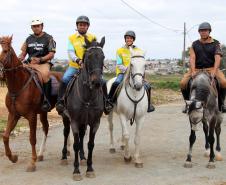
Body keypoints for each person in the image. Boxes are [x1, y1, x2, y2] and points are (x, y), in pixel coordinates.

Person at [56, 15, 111, 114]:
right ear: (77, 26)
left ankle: (106, 102)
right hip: (75, 66)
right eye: (80, 25)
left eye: (84, 25)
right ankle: (61, 101)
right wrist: (78, 60)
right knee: (65, 79)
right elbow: (70, 52)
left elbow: (96, 51)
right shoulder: (72, 38)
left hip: (89, 68)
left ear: (87, 27)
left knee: (102, 81)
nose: (82, 27)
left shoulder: (93, 37)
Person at [180, 22, 226, 113]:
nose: (203, 32)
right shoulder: (194, 44)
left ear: (209, 32)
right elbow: (192, 58)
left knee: (224, 82)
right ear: (199, 32)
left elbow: (217, 58)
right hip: (196, 69)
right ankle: (187, 104)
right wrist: (192, 70)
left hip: (211, 68)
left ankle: (222, 104)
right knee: (183, 83)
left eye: (205, 30)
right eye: (201, 31)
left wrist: (214, 70)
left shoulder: (216, 43)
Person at [108, 30, 155, 112]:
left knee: (148, 86)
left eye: (130, 38)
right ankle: (110, 101)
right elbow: (119, 64)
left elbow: (140, 62)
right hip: (123, 72)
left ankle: (148, 105)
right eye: (127, 38)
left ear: (133, 40)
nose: (129, 40)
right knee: (116, 83)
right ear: (125, 39)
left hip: (135, 73)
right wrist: (128, 69)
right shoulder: (120, 51)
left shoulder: (138, 50)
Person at [18, 18, 56, 112]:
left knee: (45, 75)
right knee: (17, 72)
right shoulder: (28, 39)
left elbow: (51, 54)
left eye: (38, 26)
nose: (36, 28)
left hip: (43, 63)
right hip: (30, 63)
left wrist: (40, 59)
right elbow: (23, 53)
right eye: (34, 26)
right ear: (31, 28)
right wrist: (19, 59)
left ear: (42, 26)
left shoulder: (49, 38)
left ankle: (46, 101)